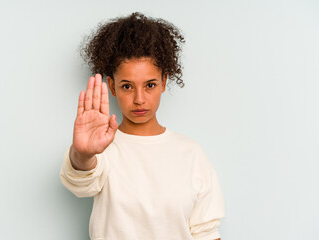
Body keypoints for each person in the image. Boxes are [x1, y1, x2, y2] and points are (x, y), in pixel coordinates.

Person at [60, 12, 225, 240]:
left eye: (150, 85)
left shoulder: (191, 153)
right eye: (127, 86)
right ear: (112, 86)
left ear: (164, 82)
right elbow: (80, 184)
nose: (139, 99)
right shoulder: (103, 149)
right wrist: (82, 153)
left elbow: (206, 232)